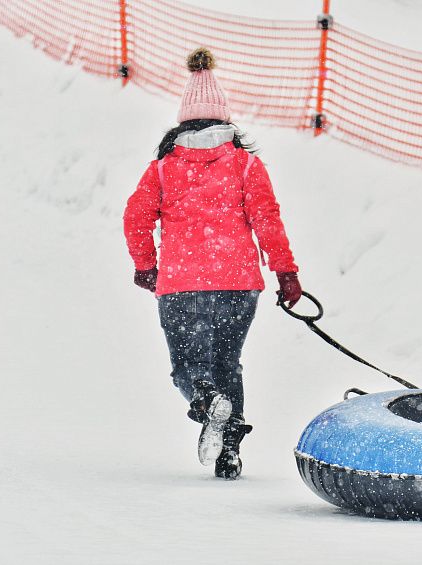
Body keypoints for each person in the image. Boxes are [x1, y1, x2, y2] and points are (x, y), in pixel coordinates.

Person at [123, 47, 301, 479]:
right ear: (225, 122)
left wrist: (146, 263)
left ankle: (204, 402)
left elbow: (135, 217)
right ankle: (230, 451)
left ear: (182, 124)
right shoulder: (246, 166)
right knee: (227, 362)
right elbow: (267, 219)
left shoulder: (163, 169)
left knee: (188, 366)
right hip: (238, 284)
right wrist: (286, 272)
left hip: (182, 282)